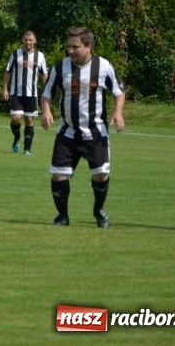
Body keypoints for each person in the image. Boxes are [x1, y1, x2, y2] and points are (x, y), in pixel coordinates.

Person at [41, 27, 124, 228]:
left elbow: (118, 92)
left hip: (96, 132)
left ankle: (98, 211)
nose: (70, 50)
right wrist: (46, 111)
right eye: (68, 46)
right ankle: (62, 216)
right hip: (67, 133)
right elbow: (46, 94)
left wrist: (118, 112)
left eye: (75, 47)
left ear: (88, 47)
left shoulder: (103, 66)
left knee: (101, 174)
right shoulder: (60, 68)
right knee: (58, 175)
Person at [2, 31, 48, 155]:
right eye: (26, 40)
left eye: (30, 40)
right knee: (15, 118)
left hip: (31, 94)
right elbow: (7, 71)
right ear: (23, 41)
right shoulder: (16, 54)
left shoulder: (40, 56)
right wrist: (5, 88)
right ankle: (17, 137)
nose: (28, 42)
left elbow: (44, 74)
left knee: (29, 120)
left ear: (35, 41)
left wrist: (48, 90)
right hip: (16, 93)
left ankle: (27, 149)